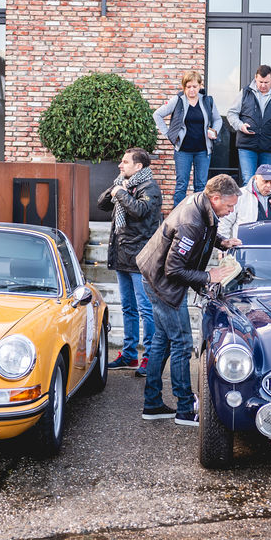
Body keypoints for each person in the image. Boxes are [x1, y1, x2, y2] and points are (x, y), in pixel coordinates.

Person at [136, 174, 242, 426]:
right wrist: (209, 276)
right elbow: (173, 269)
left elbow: (206, 232)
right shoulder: (191, 222)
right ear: (215, 198)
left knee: (162, 341)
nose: (231, 211)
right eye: (229, 206)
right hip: (163, 284)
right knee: (182, 343)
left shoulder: (201, 203)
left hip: (157, 278)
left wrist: (222, 242)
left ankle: (152, 404)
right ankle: (185, 408)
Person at [97, 147, 162, 376]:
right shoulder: (123, 184)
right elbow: (102, 204)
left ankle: (150, 358)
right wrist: (116, 189)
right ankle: (129, 355)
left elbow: (139, 211)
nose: (120, 165)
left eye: (125, 162)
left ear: (139, 166)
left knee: (146, 310)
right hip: (122, 255)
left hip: (140, 258)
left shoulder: (150, 188)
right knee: (128, 308)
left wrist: (120, 193)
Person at [153, 71, 222, 207]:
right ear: (184, 87)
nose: (191, 90)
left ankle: (199, 214)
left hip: (203, 151)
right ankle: (178, 216)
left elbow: (218, 119)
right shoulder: (178, 100)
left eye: (194, 86)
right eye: (188, 86)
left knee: (201, 186)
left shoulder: (207, 101)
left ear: (200, 86)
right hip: (183, 151)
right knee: (181, 185)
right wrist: (169, 134)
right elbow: (157, 114)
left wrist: (214, 131)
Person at [226, 65, 271, 185]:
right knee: (248, 181)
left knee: (265, 182)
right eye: (260, 82)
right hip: (247, 145)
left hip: (269, 146)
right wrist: (240, 126)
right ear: (255, 78)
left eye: (266, 82)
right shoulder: (245, 92)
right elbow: (231, 113)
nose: (263, 85)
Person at [217, 163, 271, 240]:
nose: (269, 185)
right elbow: (225, 222)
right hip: (245, 245)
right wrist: (224, 245)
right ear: (256, 178)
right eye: (265, 181)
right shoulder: (240, 195)